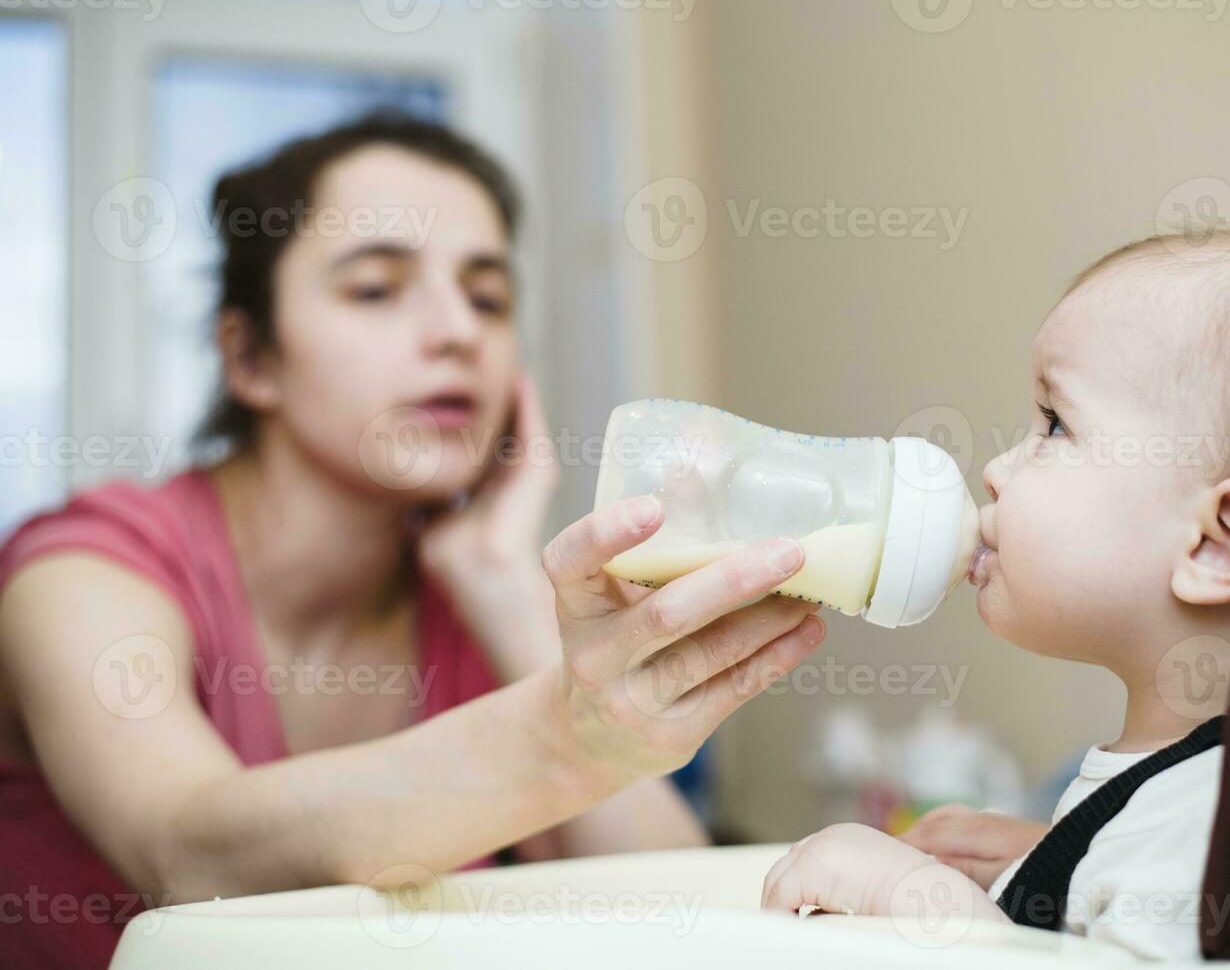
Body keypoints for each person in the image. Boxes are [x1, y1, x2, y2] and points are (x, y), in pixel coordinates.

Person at [0, 113, 828, 969]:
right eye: (376, 289)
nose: (457, 332)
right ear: (250, 360)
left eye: (488, 298)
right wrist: (575, 732)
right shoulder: (84, 572)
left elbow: (674, 912)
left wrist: (505, 583)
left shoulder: (469, 606)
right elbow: (184, 854)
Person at [760, 230, 1230, 961]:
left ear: (1216, 544)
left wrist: (922, 902)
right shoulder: (1189, 812)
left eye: (1054, 425)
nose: (998, 472)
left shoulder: (1210, 836)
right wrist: (1050, 870)